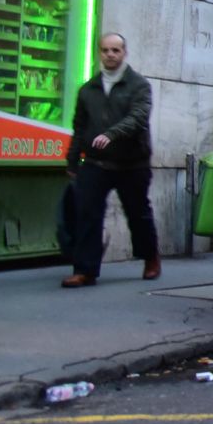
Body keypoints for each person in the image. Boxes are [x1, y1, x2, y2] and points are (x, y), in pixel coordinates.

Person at [62, 33, 160, 288]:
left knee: (138, 214)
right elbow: (79, 127)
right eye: (105, 50)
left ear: (124, 53)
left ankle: (150, 257)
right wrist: (72, 162)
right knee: (88, 215)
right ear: (99, 53)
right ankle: (85, 270)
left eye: (115, 50)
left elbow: (138, 118)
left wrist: (111, 134)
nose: (110, 55)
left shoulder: (138, 86)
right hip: (96, 163)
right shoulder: (88, 89)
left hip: (132, 163)